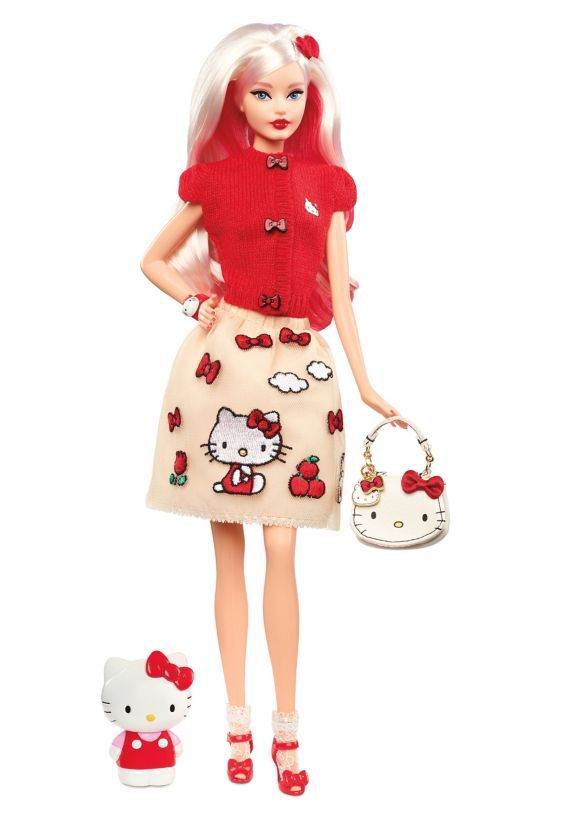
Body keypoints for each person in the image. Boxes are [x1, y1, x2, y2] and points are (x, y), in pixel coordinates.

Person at [140, 23, 404, 796]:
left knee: (282, 551)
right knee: (226, 555)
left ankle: (287, 728)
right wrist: (194, 302)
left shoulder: (329, 183)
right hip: (222, 370)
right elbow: (153, 259)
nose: (280, 107)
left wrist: (365, 382)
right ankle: (237, 722)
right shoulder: (215, 181)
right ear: (236, 99)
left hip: (300, 370)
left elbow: (341, 299)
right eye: (263, 93)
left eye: (293, 93)